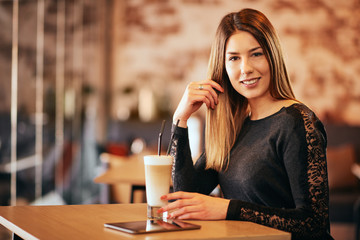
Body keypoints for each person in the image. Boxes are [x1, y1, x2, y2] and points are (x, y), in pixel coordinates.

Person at [158, 8, 333, 240]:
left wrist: (228, 209)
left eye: (256, 54)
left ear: (272, 56)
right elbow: (185, 194)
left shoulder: (297, 121)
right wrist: (180, 119)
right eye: (234, 58)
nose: (245, 68)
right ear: (223, 67)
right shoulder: (231, 127)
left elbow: (314, 223)